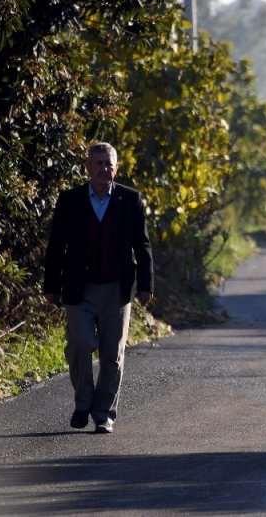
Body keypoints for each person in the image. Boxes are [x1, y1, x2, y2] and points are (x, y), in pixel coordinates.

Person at [43, 142, 153, 434]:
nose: (105, 169)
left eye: (110, 164)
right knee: (79, 344)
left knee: (112, 355)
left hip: (116, 290)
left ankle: (103, 414)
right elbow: (56, 246)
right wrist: (51, 285)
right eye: (99, 163)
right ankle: (83, 403)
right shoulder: (70, 200)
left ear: (117, 168)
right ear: (88, 167)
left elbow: (141, 245)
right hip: (79, 288)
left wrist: (145, 285)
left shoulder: (130, 200)